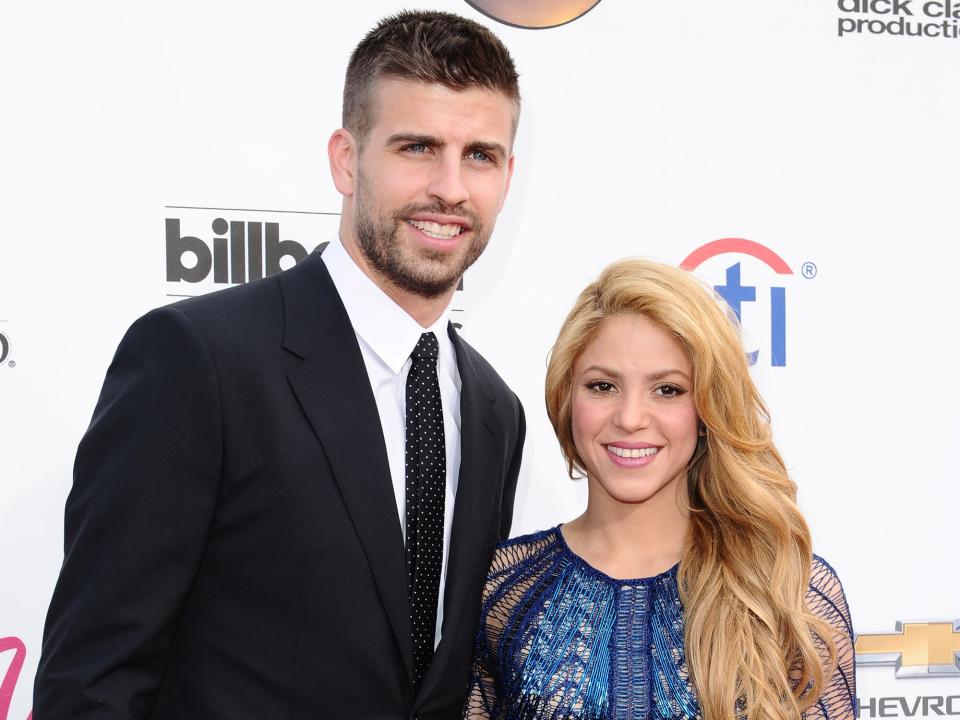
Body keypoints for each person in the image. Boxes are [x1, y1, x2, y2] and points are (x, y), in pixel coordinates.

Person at [34, 10, 525, 719]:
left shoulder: (492, 411)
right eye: (417, 147)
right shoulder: (199, 360)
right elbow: (92, 680)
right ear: (347, 160)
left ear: (508, 175)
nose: (450, 188)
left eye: (479, 154)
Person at [464, 259, 855, 720]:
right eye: (603, 385)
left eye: (667, 390)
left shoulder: (788, 593)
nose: (630, 417)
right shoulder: (504, 588)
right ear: (567, 399)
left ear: (709, 408)